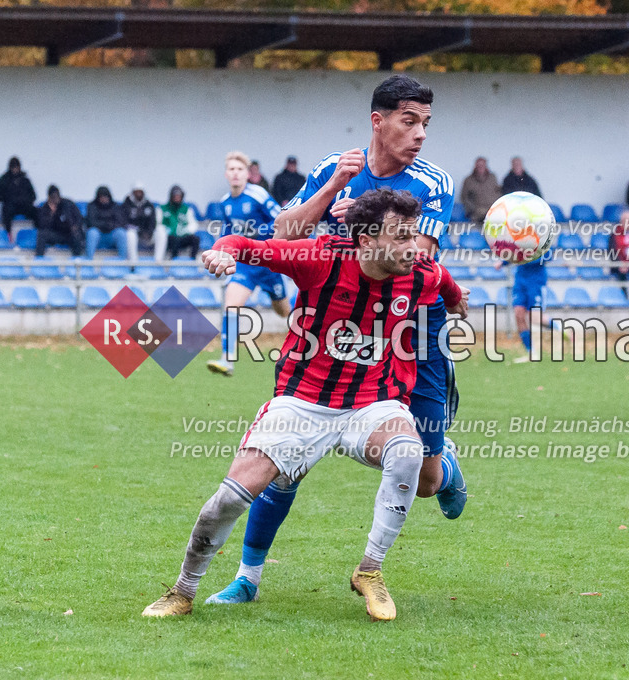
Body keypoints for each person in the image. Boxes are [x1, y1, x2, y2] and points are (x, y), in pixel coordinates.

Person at [141, 188, 468, 621]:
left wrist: (457, 300)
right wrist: (222, 253)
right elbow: (245, 245)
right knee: (229, 499)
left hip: (373, 403)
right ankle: (182, 592)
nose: (413, 247)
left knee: (407, 451)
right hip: (302, 403)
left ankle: (370, 571)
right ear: (367, 241)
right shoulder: (320, 259)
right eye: (402, 236)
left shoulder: (420, 271)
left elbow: (446, 285)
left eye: (414, 235)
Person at [204, 75, 467, 607]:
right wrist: (329, 192)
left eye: (426, 124)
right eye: (410, 121)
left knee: (424, 477)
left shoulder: (434, 180)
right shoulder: (335, 167)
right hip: (332, 325)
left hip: (412, 326)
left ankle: (446, 468)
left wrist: (360, 224)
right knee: (283, 456)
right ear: (379, 120)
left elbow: (419, 255)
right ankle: (248, 578)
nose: (420, 134)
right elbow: (284, 232)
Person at [205, 153, 292, 377]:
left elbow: (281, 221)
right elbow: (227, 233)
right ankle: (227, 360)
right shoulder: (225, 203)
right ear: (226, 174)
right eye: (231, 169)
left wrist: (266, 239)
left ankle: (302, 349)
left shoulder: (258, 195)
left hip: (269, 262)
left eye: (239, 169)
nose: (235, 173)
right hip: (245, 265)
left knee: (284, 312)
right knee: (231, 305)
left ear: (247, 174)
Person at [0, 156, 37, 235]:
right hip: (10, 206)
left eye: (16, 167)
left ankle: (36, 233)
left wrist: (25, 199)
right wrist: (7, 198)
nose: (15, 169)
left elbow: (33, 196)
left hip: (24, 206)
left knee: (36, 212)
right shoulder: (3, 180)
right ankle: (8, 235)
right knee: (6, 211)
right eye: (13, 167)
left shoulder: (25, 180)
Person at [34, 185, 84, 257]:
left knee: (77, 235)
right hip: (56, 234)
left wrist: (75, 227)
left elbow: (79, 218)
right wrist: (52, 214)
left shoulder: (68, 204)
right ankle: (39, 258)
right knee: (42, 234)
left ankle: (78, 260)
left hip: (70, 233)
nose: (55, 199)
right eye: (52, 197)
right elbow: (42, 225)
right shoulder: (45, 208)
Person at [158, 185, 201, 260]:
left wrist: (185, 230)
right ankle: (173, 260)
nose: (177, 198)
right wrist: (167, 230)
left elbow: (193, 224)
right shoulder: (162, 209)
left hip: (182, 237)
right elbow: (158, 224)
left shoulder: (186, 210)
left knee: (195, 239)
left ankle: (192, 260)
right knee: (174, 239)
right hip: (169, 238)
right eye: (175, 196)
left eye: (179, 196)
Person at [85, 186, 128, 259]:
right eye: (101, 197)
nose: (104, 199)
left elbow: (120, 222)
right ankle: (89, 261)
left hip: (111, 235)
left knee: (121, 233)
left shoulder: (115, 206)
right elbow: (91, 222)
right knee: (92, 232)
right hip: (98, 235)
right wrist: (104, 224)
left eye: (105, 197)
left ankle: (123, 261)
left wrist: (110, 226)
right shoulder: (92, 206)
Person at [122, 182, 160, 262]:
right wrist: (139, 231)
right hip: (134, 235)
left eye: (140, 191)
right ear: (132, 192)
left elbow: (153, 222)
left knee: (161, 231)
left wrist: (149, 232)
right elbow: (124, 222)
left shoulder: (149, 205)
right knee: (130, 234)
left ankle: (158, 261)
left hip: (148, 236)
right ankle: (133, 262)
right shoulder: (126, 205)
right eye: (136, 192)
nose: (138, 194)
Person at [460, 156, 502, 223]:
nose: (480, 167)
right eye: (478, 165)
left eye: (482, 165)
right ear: (475, 166)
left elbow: (498, 192)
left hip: (492, 210)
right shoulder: (468, 180)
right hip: (477, 212)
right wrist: (472, 209)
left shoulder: (492, 178)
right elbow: (464, 197)